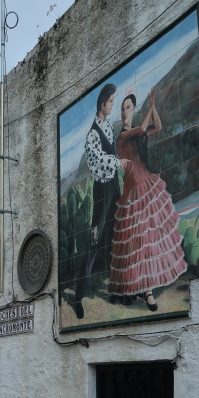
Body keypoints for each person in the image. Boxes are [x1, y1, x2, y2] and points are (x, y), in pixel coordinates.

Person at [107, 88, 187, 311]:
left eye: (128, 108)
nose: (124, 113)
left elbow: (157, 127)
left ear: (133, 109)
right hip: (132, 190)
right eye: (122, 109)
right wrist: (151, 104)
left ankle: (148, 291)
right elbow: (143, 127)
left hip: (146, 184)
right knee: (135, 242)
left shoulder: (137, 133)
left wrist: (153, 107)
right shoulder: (122, 135)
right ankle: (143, 290)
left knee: (150, 237)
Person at [72, 83, 129, 319]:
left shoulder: (107, 126)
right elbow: (96, 162)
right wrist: (118, 163)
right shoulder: (93, 134)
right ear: (102, 103)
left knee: (119, 232)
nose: (113, 105)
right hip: (102, 188)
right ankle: (78, 295)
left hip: (114, 185)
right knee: (95, 239)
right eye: (111, 102)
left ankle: (120, 286)